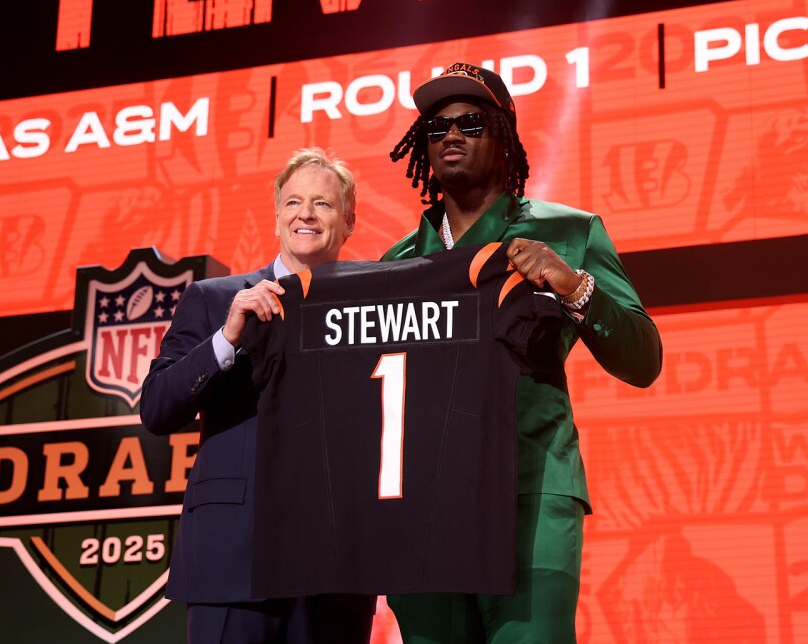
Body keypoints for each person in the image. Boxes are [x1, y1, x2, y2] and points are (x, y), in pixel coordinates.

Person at [382, 62, 664, 643]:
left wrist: (574, 286)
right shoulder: (397, 263)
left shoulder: (570, 233)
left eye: (470, 122)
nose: (451, 135)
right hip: (424, 504)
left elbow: (643, 360)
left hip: (529, 493)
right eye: (436, 127)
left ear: (503, 135)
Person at [140, 147, 374, 643]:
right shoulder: (214, 299)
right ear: (276, 217)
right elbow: (157, 408)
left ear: (349, 222)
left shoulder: (374, 310)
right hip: (233, 562)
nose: (306, 215)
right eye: (293, 203)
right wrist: (226, 339)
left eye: (323, 204)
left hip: (335, 570)